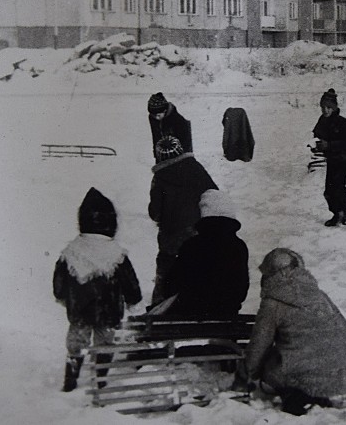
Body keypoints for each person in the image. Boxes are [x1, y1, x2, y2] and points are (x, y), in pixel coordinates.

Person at [244, 248, 346, 416]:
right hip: (336, 376)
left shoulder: (272, 302)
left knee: (272, 362)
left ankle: (294, 395)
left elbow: (260, 343)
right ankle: (318, 395)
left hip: (298, 373)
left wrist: (251, 372)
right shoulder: (320, 295)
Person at [53, 187, 142, 392]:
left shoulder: (71, 251)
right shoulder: (116, 253)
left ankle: (71, 377)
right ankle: (100, 377)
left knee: (76, 343)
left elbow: (59, 282)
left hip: (79, 312)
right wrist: (133, 299)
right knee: (105, 343)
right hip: (109, 312)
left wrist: (63, 296)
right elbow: (130, 282)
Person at [151, 189, 249, 318]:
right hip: (227, 313)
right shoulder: (239, 246)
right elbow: (241, 287)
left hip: (192, 314)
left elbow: (172, 283)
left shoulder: (192, 245)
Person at [148, 136, 218, 305]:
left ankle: (160, 309)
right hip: (197, 230)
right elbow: (213, 194)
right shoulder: (195, 168)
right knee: (197, 267)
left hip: (170, 235)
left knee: (166, 270)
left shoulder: (160, 177)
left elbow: (155, 212)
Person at [312, 88, 346, 226]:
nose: (325, 110)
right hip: (332, 158)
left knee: (338, 187)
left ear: (334, 108)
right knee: (328, 190)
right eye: (323, 107)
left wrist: (329, 145)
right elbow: (316, 132)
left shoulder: (342, 122)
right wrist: (314, 142)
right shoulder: (323, 120)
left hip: (344, 158)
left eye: (329, 107)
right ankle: (337, 213)